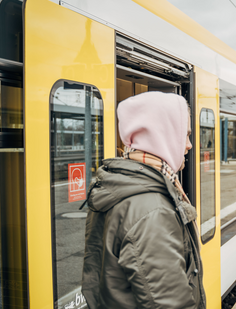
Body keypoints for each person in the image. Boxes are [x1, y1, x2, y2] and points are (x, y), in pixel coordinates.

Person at [81, 92, 206, 309]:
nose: (189, 145)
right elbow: (170, 303)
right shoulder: (153, 211)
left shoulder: (118, 183)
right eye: (184, 136)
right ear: (163, 136)